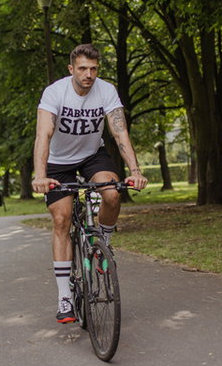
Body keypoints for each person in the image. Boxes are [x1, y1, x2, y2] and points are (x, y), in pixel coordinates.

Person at [32, 43, 148, 324]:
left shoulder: (106, 90)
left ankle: (103, 247)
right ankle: (64, 297)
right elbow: (43, 136)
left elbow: (119, 133)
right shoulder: (55, 93)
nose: (89, 74)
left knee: (112, 193)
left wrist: (135, 170)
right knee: (62, 218)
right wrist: (40, 174)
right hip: (59, 163)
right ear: (71, 68)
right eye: (83, 68)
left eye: (93, 69)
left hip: (92, 156)